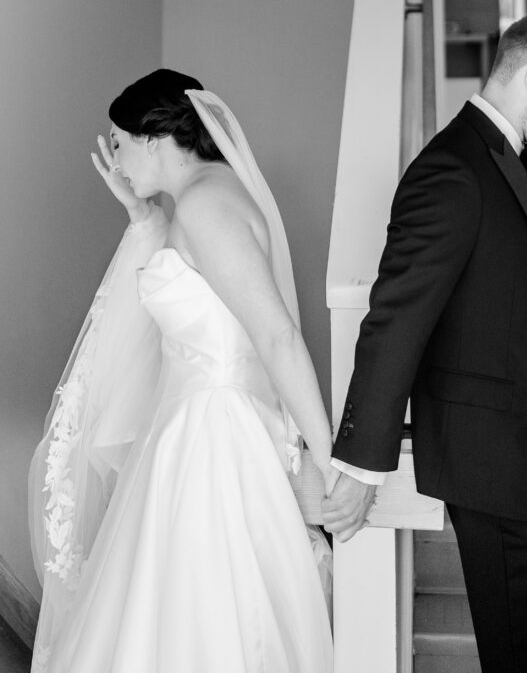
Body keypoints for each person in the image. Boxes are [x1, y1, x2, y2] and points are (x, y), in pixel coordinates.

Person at [322, 8, 527, 672]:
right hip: (500, 461)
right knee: (524, 656)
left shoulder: (506, 157)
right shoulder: (452, 171)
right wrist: (363, 464)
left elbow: (505, 282)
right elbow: (396, 317)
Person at [29, 69, 334, 673]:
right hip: (191, 430)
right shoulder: (196, 201)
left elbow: (277, 337)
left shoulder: (206, 205)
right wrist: (141, 218)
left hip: (214, 443)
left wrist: (326, 464)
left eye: (118, 142)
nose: (114, 159)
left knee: (203, 612)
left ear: (152, 138)